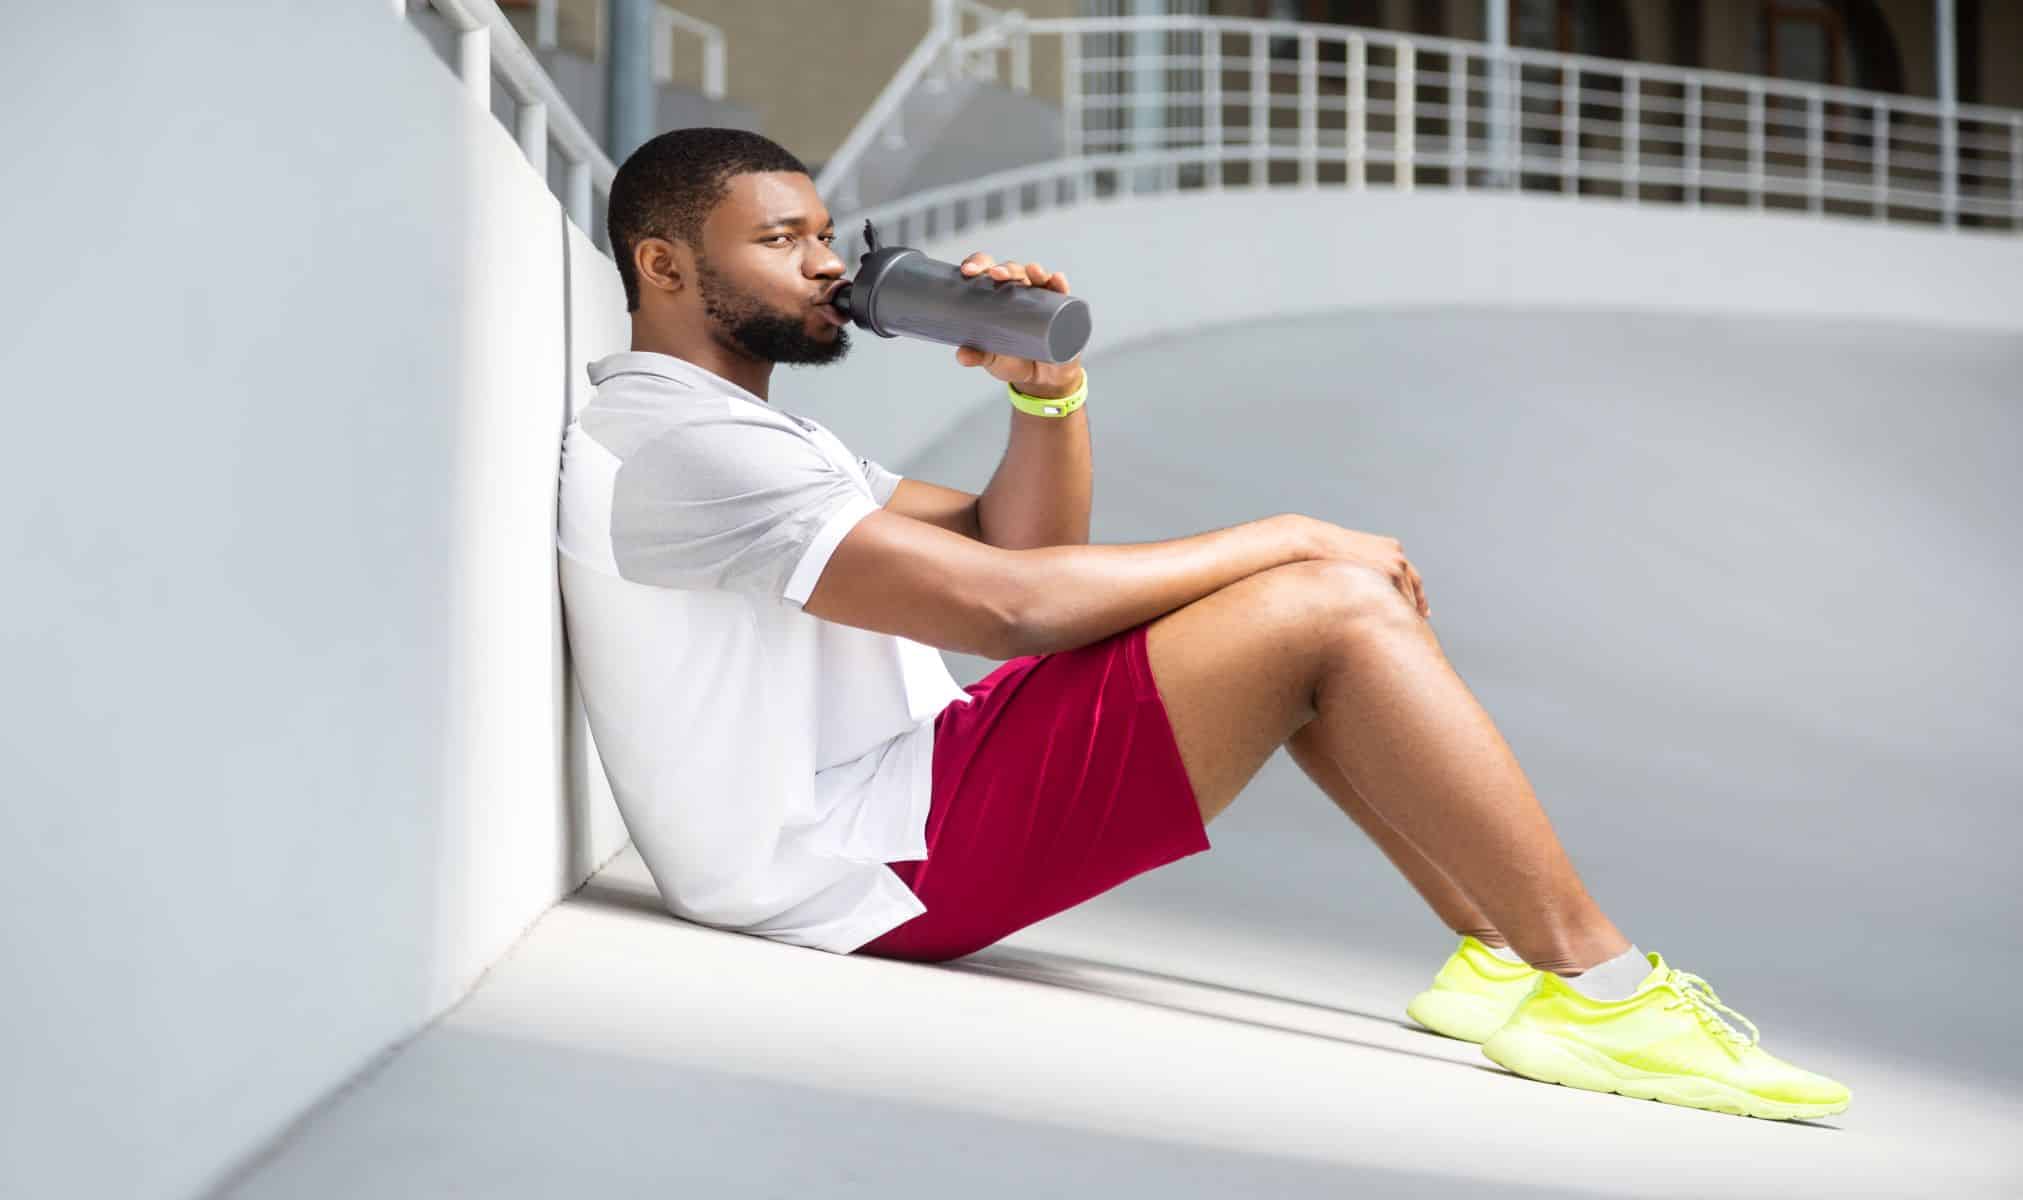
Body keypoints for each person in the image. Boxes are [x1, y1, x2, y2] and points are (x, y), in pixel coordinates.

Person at [554, 126, 1849, 1121]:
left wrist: (1045, 402)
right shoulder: (679, 448)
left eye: (827, 234)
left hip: (896, 795)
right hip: (846, 874)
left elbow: (1021, 545)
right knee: (1325, 602)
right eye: (782, 241)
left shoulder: (749, 432)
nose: (829, 263)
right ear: (664, 265)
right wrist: (1292, 536)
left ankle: (1503, 958)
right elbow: (1013, 610)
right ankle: (1603, 990)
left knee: (1310, 611)